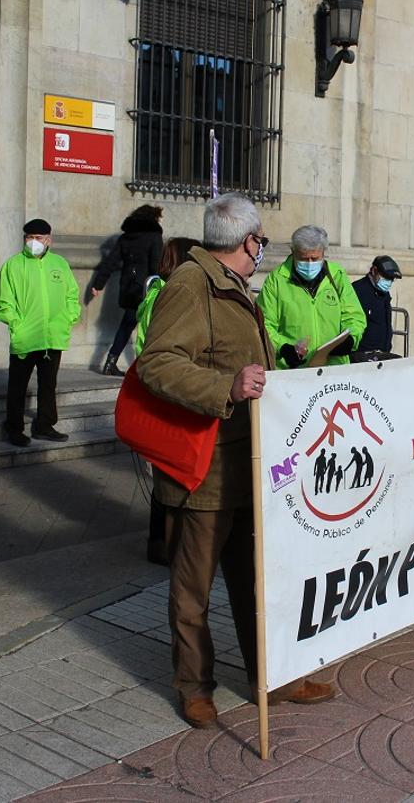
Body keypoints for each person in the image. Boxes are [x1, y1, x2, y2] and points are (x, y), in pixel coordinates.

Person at [135, 193, 334, 729]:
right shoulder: (190, 285)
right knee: (193, 589)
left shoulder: (234, 288)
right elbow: (157, 364)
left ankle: (269, 677)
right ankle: (194, 687)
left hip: (250, 465)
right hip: (204, 470)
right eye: (262, 238)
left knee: (258, 584)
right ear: (249, 241)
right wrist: (225, 385)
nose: (263, 247)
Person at [130, 235, 200, 566]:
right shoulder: (167, 298)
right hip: (166, 395)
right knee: (168, 477)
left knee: (167, 474)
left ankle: (163, 541)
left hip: (162, 394)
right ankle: (163, 542)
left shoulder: (161, 295)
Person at [0, 219, 81, 447]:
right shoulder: (13, 265)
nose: (34, 242)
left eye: (39, 238)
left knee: (48, 383)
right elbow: (4, 302)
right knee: (17, 385)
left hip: (52, 336)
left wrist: (69, 317)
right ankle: (14, 428)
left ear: (48, 240)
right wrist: (17, 325)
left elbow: (72, 294)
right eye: (29, 237)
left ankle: (45, 425)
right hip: (26, 337)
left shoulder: (60, 264)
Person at [257, 226, 366, 368]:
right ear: (293, 252)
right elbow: (264, 323)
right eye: (303, 258)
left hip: (333, 368)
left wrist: (351, 339)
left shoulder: (337, 275)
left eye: (314, 258)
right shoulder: (277, 280)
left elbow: (354, 316)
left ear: (323, 253)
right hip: (294, 369)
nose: (309, 264)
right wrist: (282, 348)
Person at [90, 205, 164, 376]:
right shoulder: (154, 237)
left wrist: (98, 284)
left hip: (128, 287)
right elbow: (155, 265)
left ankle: (111, 362)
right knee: (150, 328)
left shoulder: (126, 237)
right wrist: (160, 287)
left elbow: (111, 261)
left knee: (127, 325)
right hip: (146, 289)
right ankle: (145, 366)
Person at [351, 255, 403, 360]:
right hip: (362, 355)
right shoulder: (358, 290)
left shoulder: (384, 293)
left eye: (391, 279)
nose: (389, 282)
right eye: (386, 277)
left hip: (382, 353)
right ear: (374, 271)